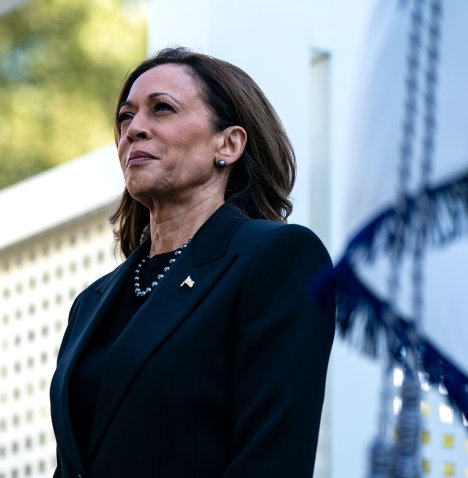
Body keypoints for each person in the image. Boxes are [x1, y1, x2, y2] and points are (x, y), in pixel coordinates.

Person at [49, 47, 335, 478]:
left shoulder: (278, 257)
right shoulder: (91, 302)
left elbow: (273, 460)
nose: (134, 130)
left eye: (161, 109)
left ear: (229, 143)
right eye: (126, 117)